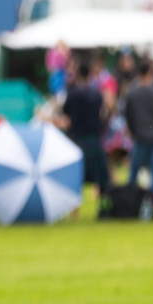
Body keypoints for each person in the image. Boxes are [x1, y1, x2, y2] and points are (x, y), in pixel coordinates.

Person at [60, 62, 110, 214]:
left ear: (77, 74)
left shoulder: (73, 94)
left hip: (78, 138)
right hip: (95, 138)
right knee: (101, 178)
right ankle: (103, 209)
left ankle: (75, 212)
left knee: (76, 177)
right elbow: (103, 113)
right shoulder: (97, 94)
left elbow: (65, 115)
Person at [123, 61, 153, 201]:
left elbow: (129, 117)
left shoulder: (132, 93)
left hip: (140, 138)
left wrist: (133, 131)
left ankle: (129, 201)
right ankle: (151, 204)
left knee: (134, 172)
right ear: (151, 73)